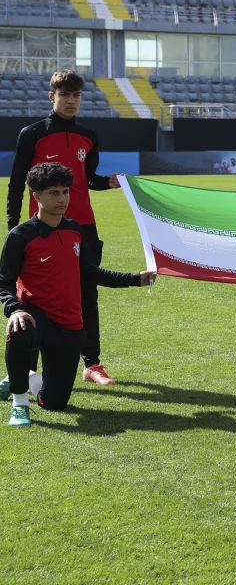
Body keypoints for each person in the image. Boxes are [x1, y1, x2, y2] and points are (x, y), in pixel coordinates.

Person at [1, 163, 154, 427]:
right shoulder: (21, 236)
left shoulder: (74, 230)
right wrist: (14, 308)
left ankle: (27, 379)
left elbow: (88, 273)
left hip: (69, 325)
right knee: (19, 329)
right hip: (37, 315)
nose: (61, 199)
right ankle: (19, 404)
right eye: (53, 193)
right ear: (36, 196)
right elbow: (4, 281)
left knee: (54, 403)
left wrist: (134, 280)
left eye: (65, 192)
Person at [7, 70, 123, 386]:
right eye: (65, 95)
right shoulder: (32, 133)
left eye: (76, 96)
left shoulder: (89, 136)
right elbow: (18, 182)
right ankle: (27, 370)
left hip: (83, 228)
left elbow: (87, 180)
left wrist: (107, 183)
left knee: (86, 295)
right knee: (33, 298)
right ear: (52, 97)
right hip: (40, 230)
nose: (71, 101)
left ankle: (93, 365)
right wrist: (13, 227)